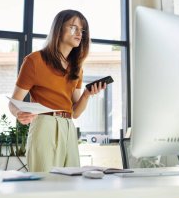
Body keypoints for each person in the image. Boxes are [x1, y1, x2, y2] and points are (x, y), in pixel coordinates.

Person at [9, 9, 106, 172]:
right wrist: (18, 113)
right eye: (73, 27)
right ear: (58, 29)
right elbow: (14, 103)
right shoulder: (34, 61)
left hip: (68, 127)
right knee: (45, 184)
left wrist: (87, 95)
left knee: (72, 184)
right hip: (44, 126)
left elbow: (75, 113)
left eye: (82, 30)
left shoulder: (77, 68)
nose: (79, 34)